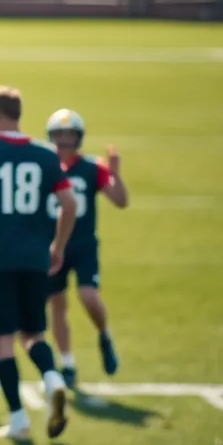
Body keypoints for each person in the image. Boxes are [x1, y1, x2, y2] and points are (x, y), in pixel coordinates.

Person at [0, 86, 78, 441]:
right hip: (35, 258)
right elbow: (69, 205)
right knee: (33, 333)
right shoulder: (46, 155)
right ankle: (52, 378)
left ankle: (19, 419)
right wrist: (58, 246)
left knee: (2, 341)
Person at [44, 109, 129, 387]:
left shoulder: (92, 167)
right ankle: (67, 362)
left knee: (88, 296)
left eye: (70, 135)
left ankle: (103, 334)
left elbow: (120, 200)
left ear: (78, 138)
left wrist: (115, 173)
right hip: (53, 245)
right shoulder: (44, 166)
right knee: (57, 304)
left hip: (82, 244)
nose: (65, 141)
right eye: (60, 135)